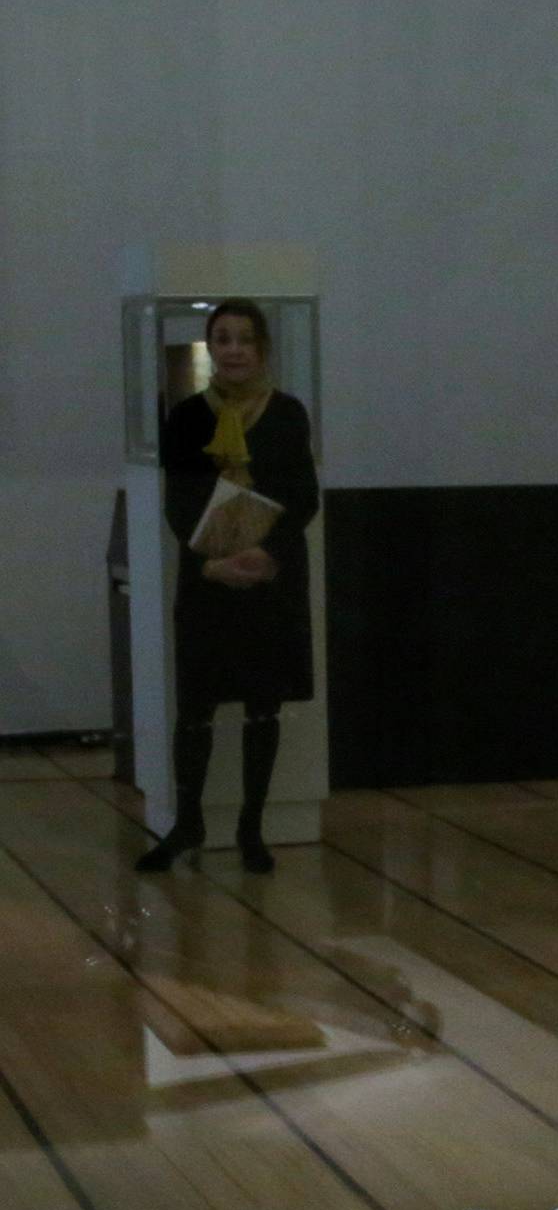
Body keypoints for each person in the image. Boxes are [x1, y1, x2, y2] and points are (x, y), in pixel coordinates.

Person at [137, 299, 319, 878]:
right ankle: (187, 824)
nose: (234, 349)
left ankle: (251, 828)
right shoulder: (187, 416)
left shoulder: (288, 413)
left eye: (245, 339)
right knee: (196, 706)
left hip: (269, 578)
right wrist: (210, 562)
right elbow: (179, 504)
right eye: (223, 338)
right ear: (210, 347)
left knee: (262, 706)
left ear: (262, 349)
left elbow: (303, 498)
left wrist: (265, 553)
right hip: (208, 580)